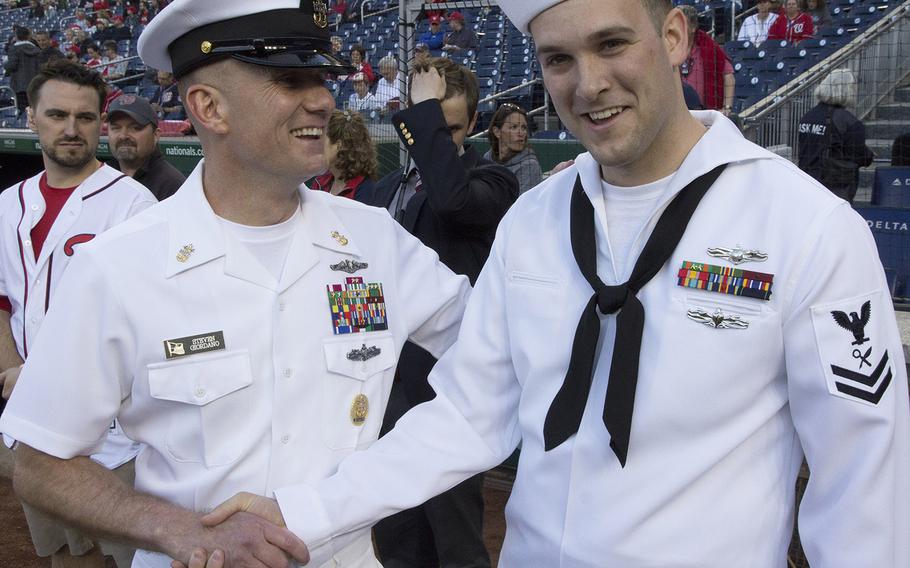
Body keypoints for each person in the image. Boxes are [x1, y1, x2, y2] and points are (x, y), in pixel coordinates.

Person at [198, 2, 910, 567]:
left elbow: (862, 483)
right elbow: (469, 416)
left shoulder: (805, 226)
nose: (588, 83)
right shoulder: (534, 220)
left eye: (611, 44)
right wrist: (303, 512)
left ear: (673, 37)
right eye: (558, 59)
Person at [0, 2, 474, 568]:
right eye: (290, 79)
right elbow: (39, 460)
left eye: (321, 78)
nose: (323, 99)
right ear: (208, 107)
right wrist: (178, 530)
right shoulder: (117, 266)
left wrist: (354, 495)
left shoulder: (376, 243)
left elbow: (491, 369)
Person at [357, 56, 517, 568]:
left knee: (456, 542)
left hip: (452, 390)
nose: (441, 138)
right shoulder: (381, 193)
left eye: (449, 127)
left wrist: (420, 113)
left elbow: (450, 201)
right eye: (431, 125)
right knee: (398, 538)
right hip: (386, 388)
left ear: (472, 126)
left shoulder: (493, 182)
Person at [0, 58, 155, 568]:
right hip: (33, 418)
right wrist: (11, 371)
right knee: (64, 554)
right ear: (31, 119)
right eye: (57, 115)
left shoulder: (133, 204)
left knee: (123, 556)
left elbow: (143, 318)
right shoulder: (8, 204)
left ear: (100, 123)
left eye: (86, 118)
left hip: (112, 428)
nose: (71, 129)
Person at [797, 68, 874, 203]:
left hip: (806, 184)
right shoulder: (849, 122)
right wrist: (869, 154)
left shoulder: (808, 116)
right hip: (834, 191)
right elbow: (859, 156)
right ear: (846, 89)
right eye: (853, 87)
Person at [106, 94, 186, 200]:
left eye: (135, 128)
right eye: (116, 128)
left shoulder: (173, 186)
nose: (123, 136)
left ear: (156, 135)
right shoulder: (101, 178)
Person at [679, 5, 735, 114]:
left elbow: (729, 77)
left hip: (703, 113)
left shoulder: (708, 47)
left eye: (682, 23)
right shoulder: (670, 47)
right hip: (677, 112)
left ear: (693, 27)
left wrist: (727, 108)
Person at [310, 109, 377, 200]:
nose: (314, 146)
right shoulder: (319, 182)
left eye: (320, 140)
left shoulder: (365, 190)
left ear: (339, 145)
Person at [484, 102, 542, 194]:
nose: (521, 133)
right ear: (497, 132)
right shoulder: (487, 158)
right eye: (514, 127)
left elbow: (524, 206)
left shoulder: (530, 165)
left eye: (523, 128)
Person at [4, 26, 40, 115]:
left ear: (16, 36)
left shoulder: (14, 49)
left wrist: (5, 65)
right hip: (34, 84)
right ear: (29, 36)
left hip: (19, 85)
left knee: (23, 111)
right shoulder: (37, 49)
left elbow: (11, 65)